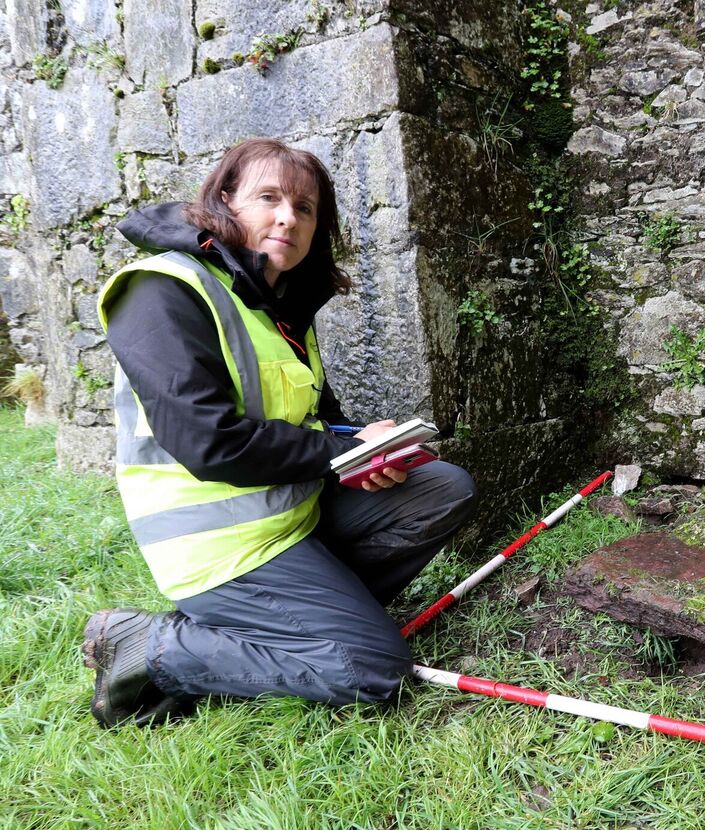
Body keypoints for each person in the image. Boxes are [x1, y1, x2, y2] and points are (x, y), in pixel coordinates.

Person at [82, 137, 477, 727]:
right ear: (224, 202)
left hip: (293, 515)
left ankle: (306, 618)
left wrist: (363, 443)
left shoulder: (274, 303)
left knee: (444, 487)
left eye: (306, 207)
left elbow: (313, 416)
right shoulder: (161, 289)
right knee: (373, 671)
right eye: (268, 197)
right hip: (222, 549)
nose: (288, 216)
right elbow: (211, 442)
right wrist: (342, 451)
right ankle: (154, 645)